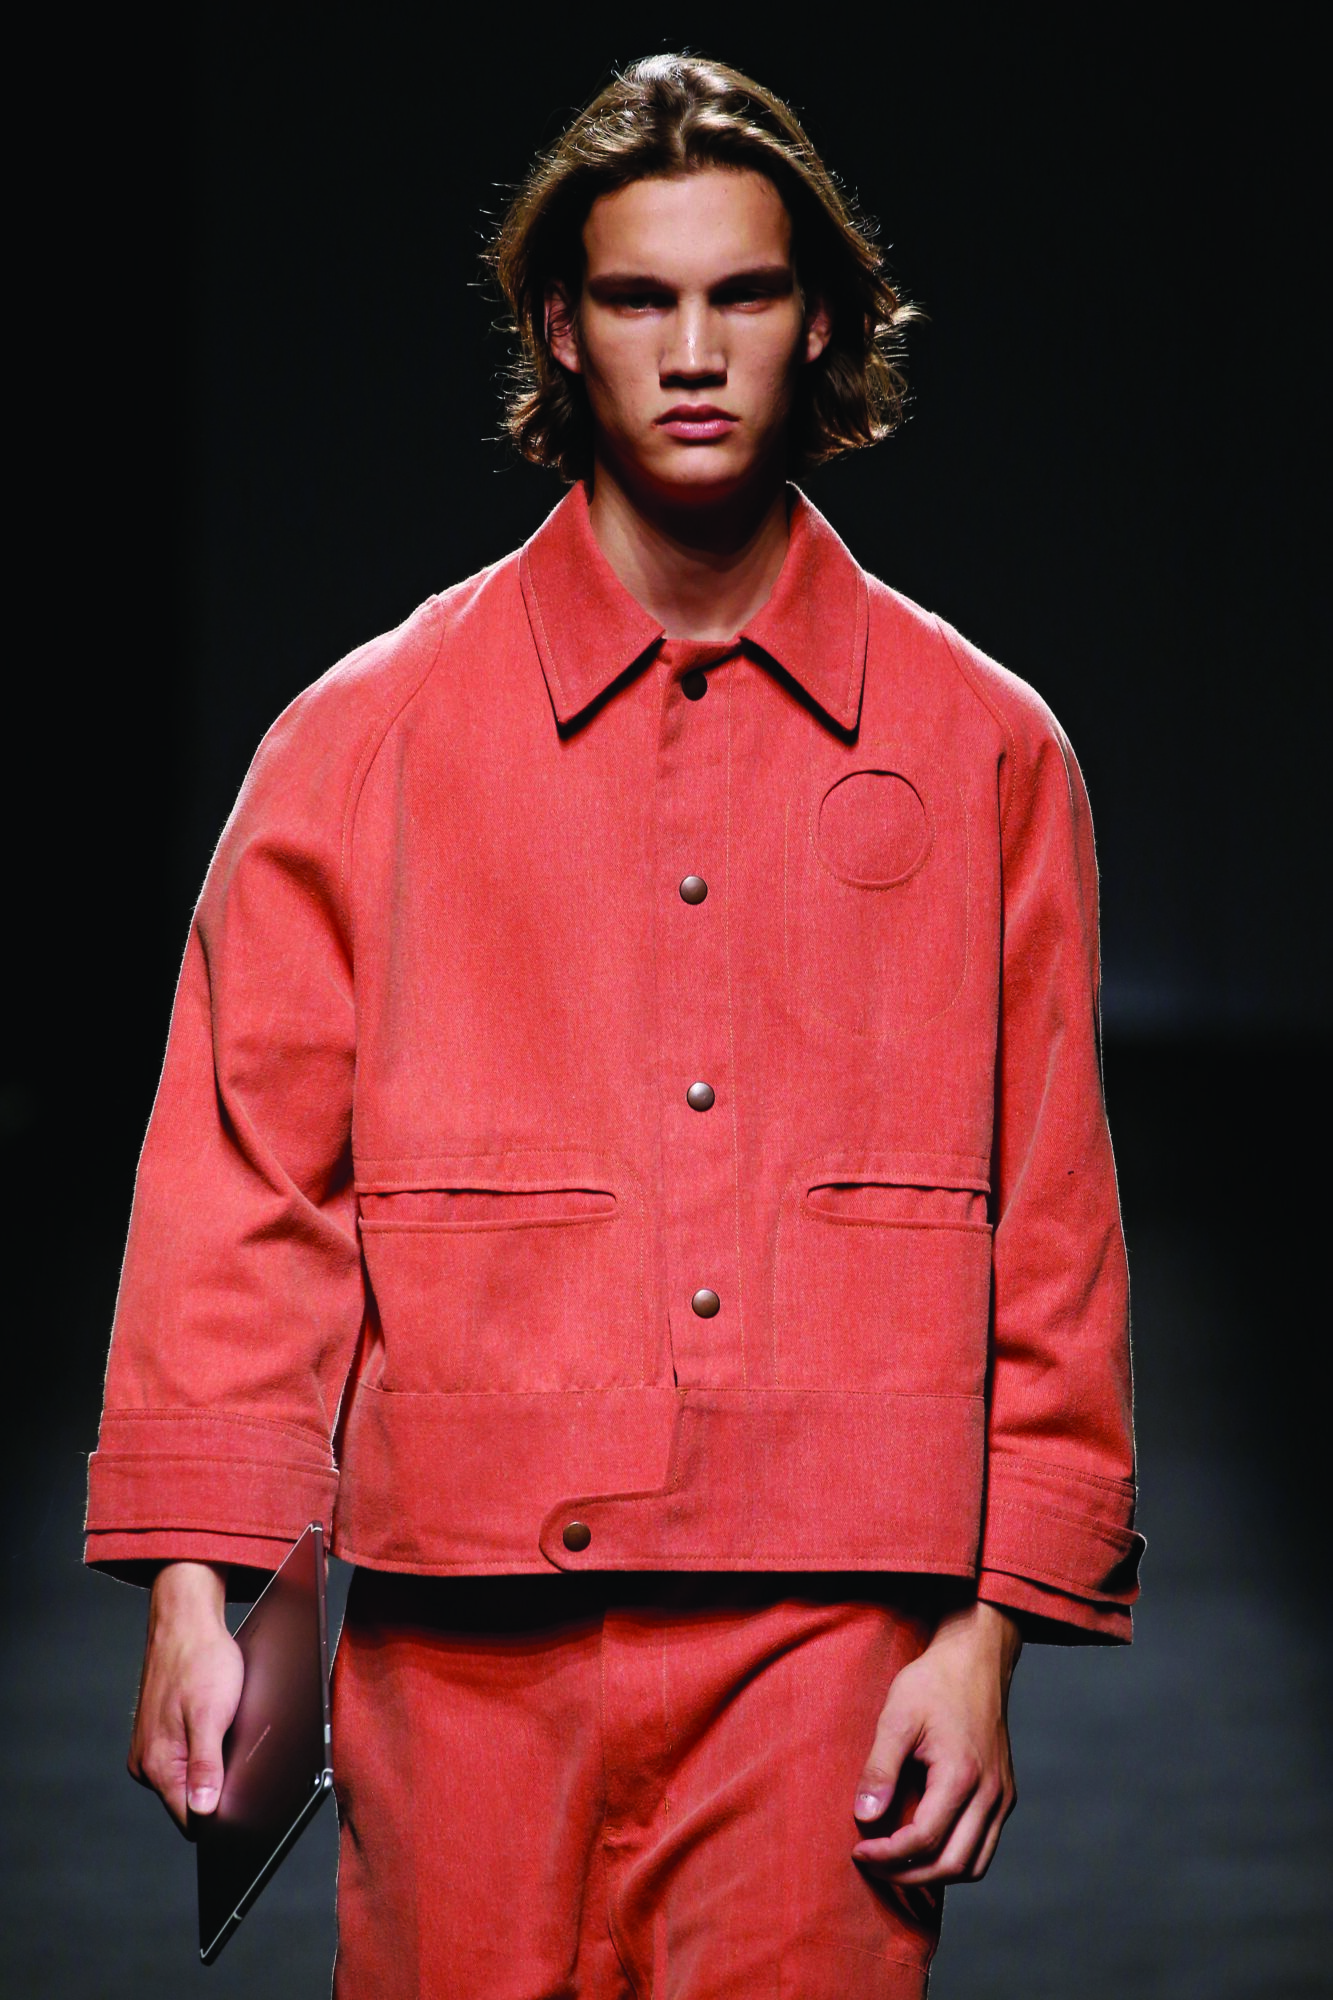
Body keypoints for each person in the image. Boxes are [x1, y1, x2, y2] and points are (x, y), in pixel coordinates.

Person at [86, 53, 1143, 1998]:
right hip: (461, 1641)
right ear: (562, 329)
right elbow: (245, 1183)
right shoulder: (364, 744)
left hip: (829, 1639)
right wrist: (192, 1588)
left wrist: (988, 1634)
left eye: (743, 293)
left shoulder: (984, 749)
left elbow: (1051, 1220)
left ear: (818, 319)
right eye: (643, 298)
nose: (696, 350)